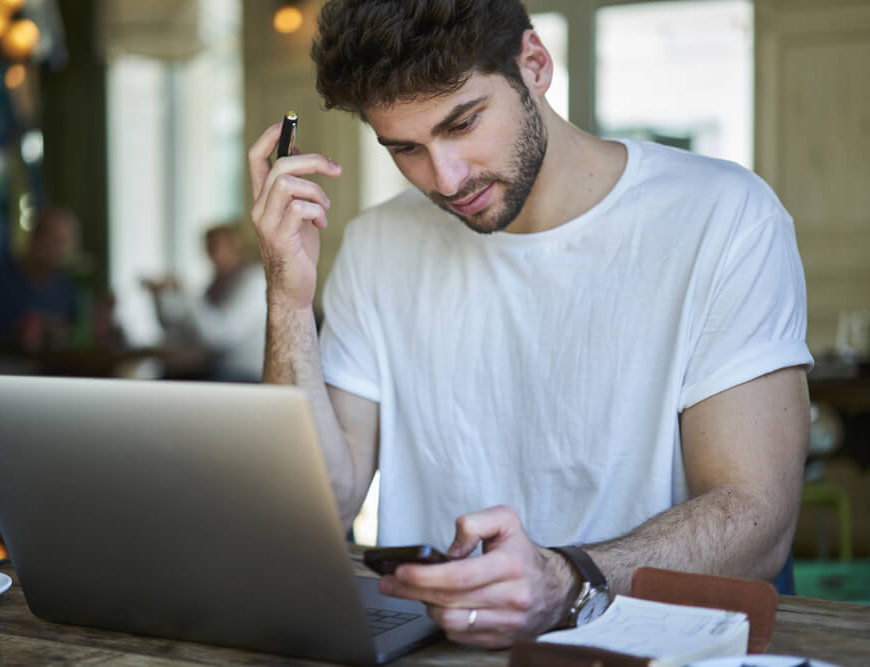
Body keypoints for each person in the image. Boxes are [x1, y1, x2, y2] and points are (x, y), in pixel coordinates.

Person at [248, 0, 812, 649]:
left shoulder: (723, 218)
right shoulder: (378, 243)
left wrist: (563, 578)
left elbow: (757, 515)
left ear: (535, 65)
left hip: (647, 653)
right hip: (441, 647)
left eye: (462, 123)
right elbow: (324, 506)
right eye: (406, 148)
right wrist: (287, 299)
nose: (447, 178)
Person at [143, 224, 266, 382]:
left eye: (215, 246)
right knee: (165, 377)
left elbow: (219, 337)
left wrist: (187, 293)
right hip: (219, 371)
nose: (210, 254)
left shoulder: (255, 283)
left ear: (238, 247)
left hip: (245, 375)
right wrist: (158, 298)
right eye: (207, 247)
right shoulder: (216, 285)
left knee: (169, 382)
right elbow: (179, 327)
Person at [0, 206, 78, 354]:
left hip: (46, 372)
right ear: (36, 240)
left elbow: (72, 335)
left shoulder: (65, 286)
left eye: (68, 242)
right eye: (57, 241)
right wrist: (17, 336)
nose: (63, 250)